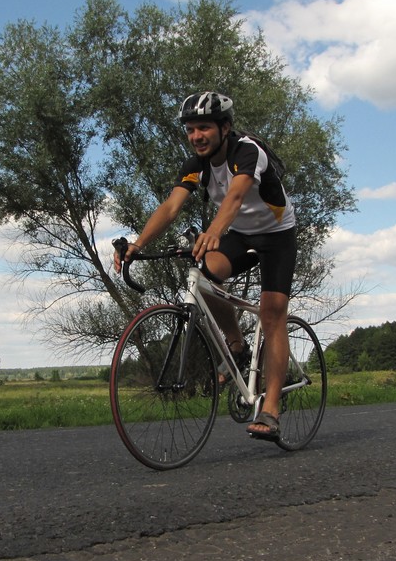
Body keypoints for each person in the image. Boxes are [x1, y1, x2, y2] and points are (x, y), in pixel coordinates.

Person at [113, 91, 297, 441]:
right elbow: (170, 208)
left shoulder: (247, 151)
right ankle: (237, 346)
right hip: (242, 234)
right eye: (190, 130)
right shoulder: (195, 165)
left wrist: (213, 231)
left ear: (224, 127)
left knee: (272, 314)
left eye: (204, 128)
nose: (196, 136)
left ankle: (271, 409)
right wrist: (138, 244)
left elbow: (236, 196)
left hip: (276, 236)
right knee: (204, 276)